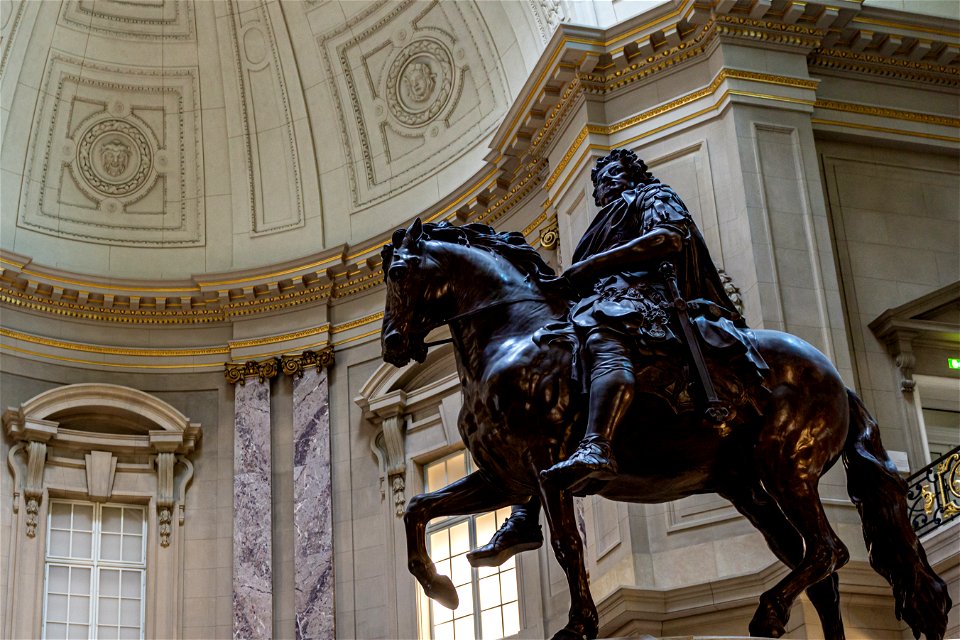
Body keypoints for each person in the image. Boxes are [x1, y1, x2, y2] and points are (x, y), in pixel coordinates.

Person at [468, 148, 767, 568]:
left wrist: (592, 266)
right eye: (598, 181)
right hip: (605, 302)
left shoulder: (651, 196)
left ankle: (597, 446)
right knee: (544, 374)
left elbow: (669, 238)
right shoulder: (602, 222)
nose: (603, 184)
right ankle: (524, 511)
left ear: (631, 173)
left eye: (610, 174)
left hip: (646, 302)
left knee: (600, 335)